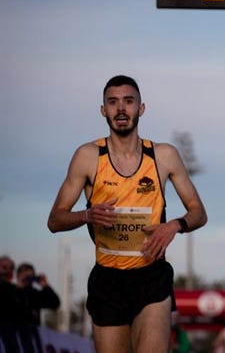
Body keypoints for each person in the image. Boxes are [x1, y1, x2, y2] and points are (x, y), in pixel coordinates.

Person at [47, 75, 208, 353]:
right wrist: (87, 216)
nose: (121, 109)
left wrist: (174, 226)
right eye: (113, 102)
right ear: (103, 110)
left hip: (151, 277)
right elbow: (55, 220)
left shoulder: (164, 156)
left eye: (128, 101)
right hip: (107, 280)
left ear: (141, 108)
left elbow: (198, 212)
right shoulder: (87, 156)